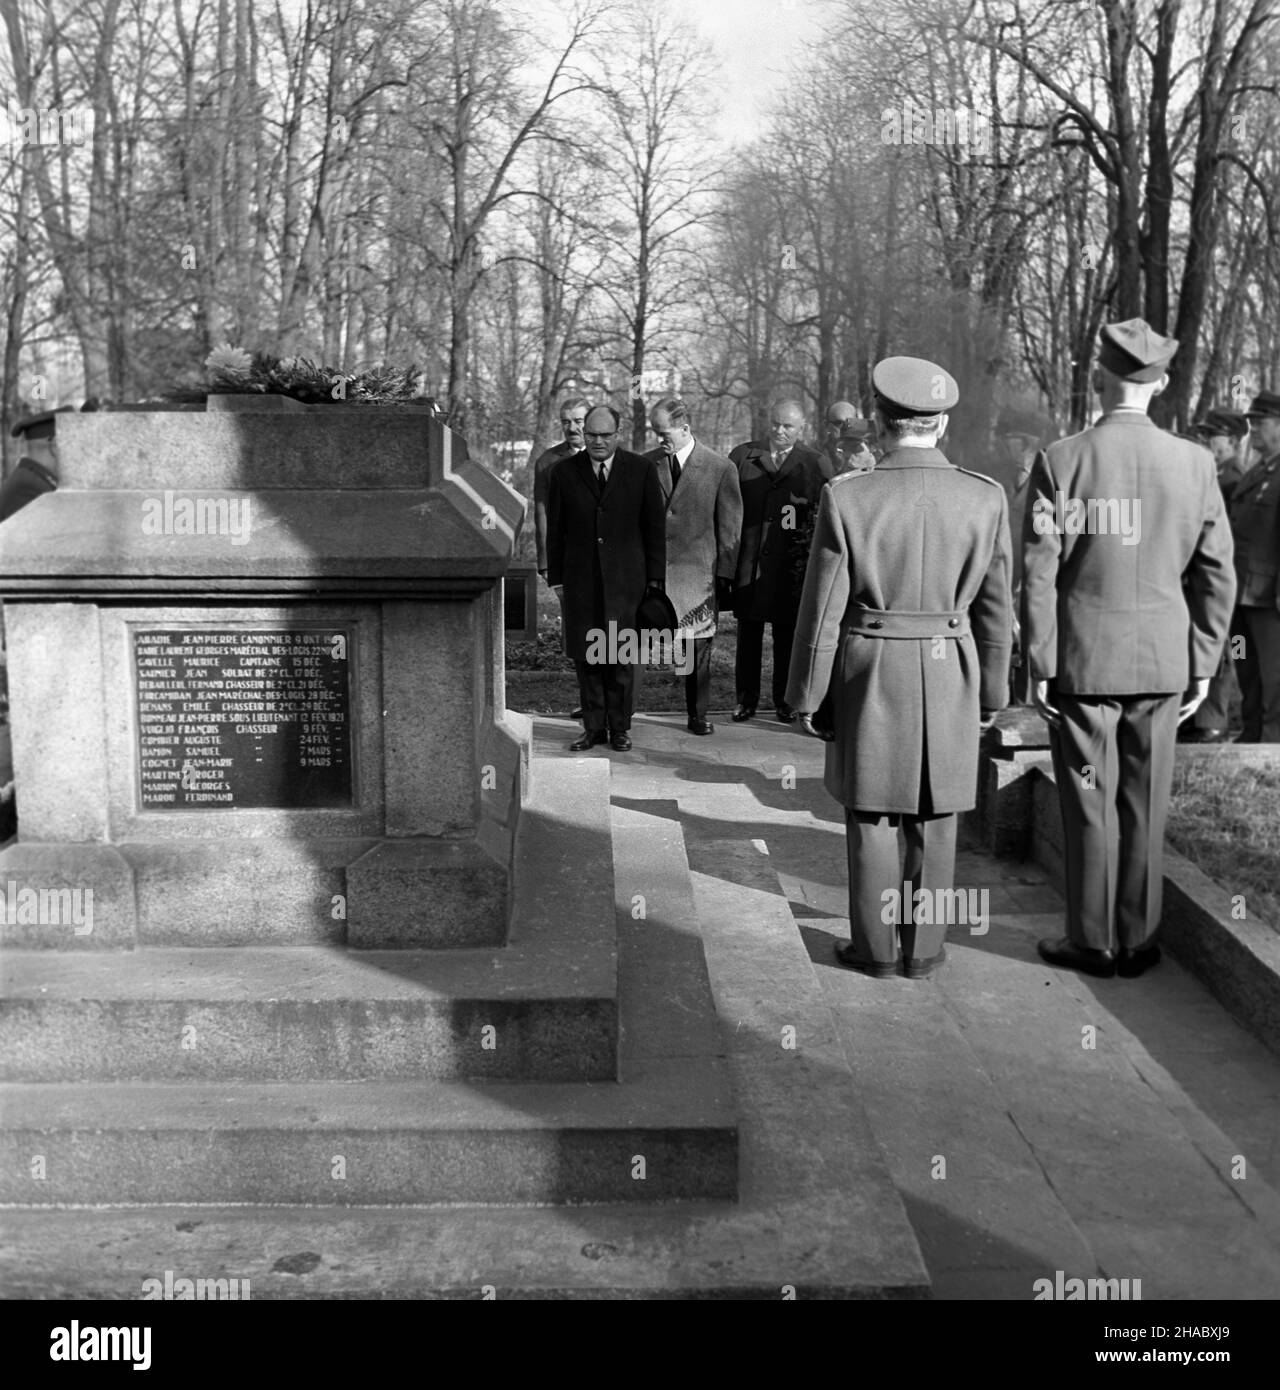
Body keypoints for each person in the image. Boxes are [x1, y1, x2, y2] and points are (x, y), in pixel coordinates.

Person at [1022, 319, 1236, 980]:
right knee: (1145, 802)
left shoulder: (1063, 460)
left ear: (1098, 377)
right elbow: (1216, 573)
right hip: (1162, 665)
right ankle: (1137, 942)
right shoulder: (1196, 463)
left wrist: (1041, 665)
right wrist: (1202, 664)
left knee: (1088, 797)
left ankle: (1093, 941)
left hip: (1084, 665)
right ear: (1164, 383)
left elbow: (1038, 573)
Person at [787, 356, 1012, 979]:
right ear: (940, 425)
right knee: (938, 817)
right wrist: (993, 692)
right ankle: (925, 949)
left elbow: (823, 610)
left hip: (872, 666)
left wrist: (807, 696)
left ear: (882, 424)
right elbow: (996, 613)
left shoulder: (848, 496)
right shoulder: (985, 497)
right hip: (952, 667)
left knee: (874, 813)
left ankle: (876, 950)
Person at [546, 404, 666, 752]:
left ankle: (620, 728)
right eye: (591, 435)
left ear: (618, 434)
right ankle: (593, 729)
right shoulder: (564, 473)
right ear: (584, 434)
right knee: (589, 659)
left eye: (605, 435)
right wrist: (557, 579)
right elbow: (556, 531)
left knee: (621, 659)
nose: (597, 441)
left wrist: (654, 580)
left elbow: (654, 530)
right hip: (582, 583)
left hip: (629, 585)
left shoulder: (641, 470)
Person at [645, 396, 742, 735]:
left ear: (685, 429)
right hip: (654, 577)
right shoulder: (647, 465)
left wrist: (725, 574)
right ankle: (621, 717)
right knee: (632, 645)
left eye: (665, 433)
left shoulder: (719, 468)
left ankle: (698, 715)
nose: (659, 440)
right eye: (655, 432)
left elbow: (730, 527)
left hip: (698, 579)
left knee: (697, 651)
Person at [728, 399, 826, 723]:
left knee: (786, 636)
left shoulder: (814, 463)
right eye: (775, 423)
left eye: (788, 426)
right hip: (749, 563)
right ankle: (746, 700)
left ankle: (785, 701)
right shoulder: (743, 457)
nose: (780, 431)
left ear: (802, 428)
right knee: (748, 635)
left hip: (788, 568)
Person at [1182, 407, 1250, 742]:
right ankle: (1201, 717)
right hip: (1209, 577)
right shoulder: (1217, 475)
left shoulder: (1232, 479)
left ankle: (1212, 719)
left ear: (1234, 441)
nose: (1208, 441)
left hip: (1223, 579)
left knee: (1225, 649)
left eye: (1215, 435)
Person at [1229, 390, 1280, 743]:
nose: (1253, 429)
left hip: (1269, 600)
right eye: (1251, 422)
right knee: (1243, 666)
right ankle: (1250, 735)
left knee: (1274, 676)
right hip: (1240, 598)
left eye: (1260, 422)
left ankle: (1272, 744)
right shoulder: (1258, 471)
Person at [820, 400, 859, 479]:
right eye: (839, 423)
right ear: (826, 425)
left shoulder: (870, 456)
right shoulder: (816, 456)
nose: (846, 428)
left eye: (850, 423)